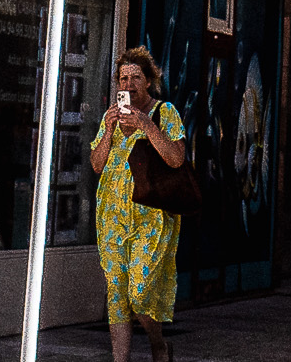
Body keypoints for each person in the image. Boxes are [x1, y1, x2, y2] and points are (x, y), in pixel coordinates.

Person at [89, 46, 187, 362]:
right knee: (117, 294)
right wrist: (108, 130)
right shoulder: (111, 117)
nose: (128, 84)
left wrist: (147, 125)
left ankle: (158, 343)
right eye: (123, 78)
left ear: (148, 80)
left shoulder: (164, 112)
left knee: (140, 292)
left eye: (135, 78)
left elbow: (176, 159)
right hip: (111, 217)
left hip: (151, 216)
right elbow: (97, 164)